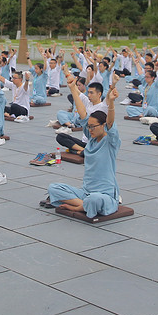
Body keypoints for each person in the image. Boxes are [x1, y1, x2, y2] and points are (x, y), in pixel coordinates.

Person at [45, 83, 122, 218]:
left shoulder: (110, 141)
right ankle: (83, 204)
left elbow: (110, 122)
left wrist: (111, 103)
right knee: (53, 188)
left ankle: (81, 205)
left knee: (95, 200)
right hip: (86, 192)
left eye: (93, 127)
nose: (90, 130)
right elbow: (83, 115)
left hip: (104, 195)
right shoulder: (91, 140)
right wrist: (72, 89)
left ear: (103, 126)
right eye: (89, 127)